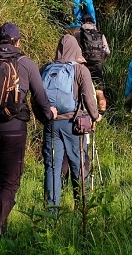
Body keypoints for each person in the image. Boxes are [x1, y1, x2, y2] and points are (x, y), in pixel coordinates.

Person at [0, 23, 57, 237]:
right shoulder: (26, 63)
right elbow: (40, 97)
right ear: (18, 41)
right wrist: (49, 114)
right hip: (13, 129)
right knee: (10, 182)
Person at [41, 34, 102, 208]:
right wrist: (96, 116)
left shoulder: (46, 69)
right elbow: (89, 99)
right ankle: (82, 208)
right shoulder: (80, 70)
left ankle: (51, 211)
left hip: (51, 124)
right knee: (78, 164)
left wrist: (44, 117)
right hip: (73, 125)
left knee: (52, 167)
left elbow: (36, 98)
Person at [72, 14, 110, 87]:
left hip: (83, 66)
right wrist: (101, 60)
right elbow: (107, 51)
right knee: (99, 90)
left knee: (83, 89)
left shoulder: (77, 33)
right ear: (93, 22)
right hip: (97, 66)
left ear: (82, 22)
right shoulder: (100, 34)